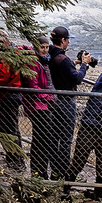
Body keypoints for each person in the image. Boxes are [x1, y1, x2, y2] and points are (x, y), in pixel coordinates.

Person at [45, 26, 92, 180]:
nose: (68, 42)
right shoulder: (63, 60)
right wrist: (84, 65)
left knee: (53, 137)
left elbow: (63, 67)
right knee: (66, 139)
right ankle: (63, 173)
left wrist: (76, 62)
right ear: (63, 40)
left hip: (52, 101)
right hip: (65, 102)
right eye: (68, 39)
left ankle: (54, 171)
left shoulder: (49, 54)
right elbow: (77, 79)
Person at [24, 40, 60, 179]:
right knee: (41, 140)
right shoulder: (34, 63)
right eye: (42, 47)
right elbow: (33, 87)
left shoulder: (44, 61)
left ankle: (42, 171)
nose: (45, 50)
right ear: (36, 47)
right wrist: (48, 96)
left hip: (44, 104)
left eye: (46, 47)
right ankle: (38, 172)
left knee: (44, 140)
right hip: (37, 105)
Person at [0, 45, 27, 170]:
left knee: (6, 129)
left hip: (7, 96)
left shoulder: (7, 61)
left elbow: (1, 80)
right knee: (13, 129)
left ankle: (14, 160)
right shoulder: (16, 56)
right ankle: (17, 159)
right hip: (13, 95)